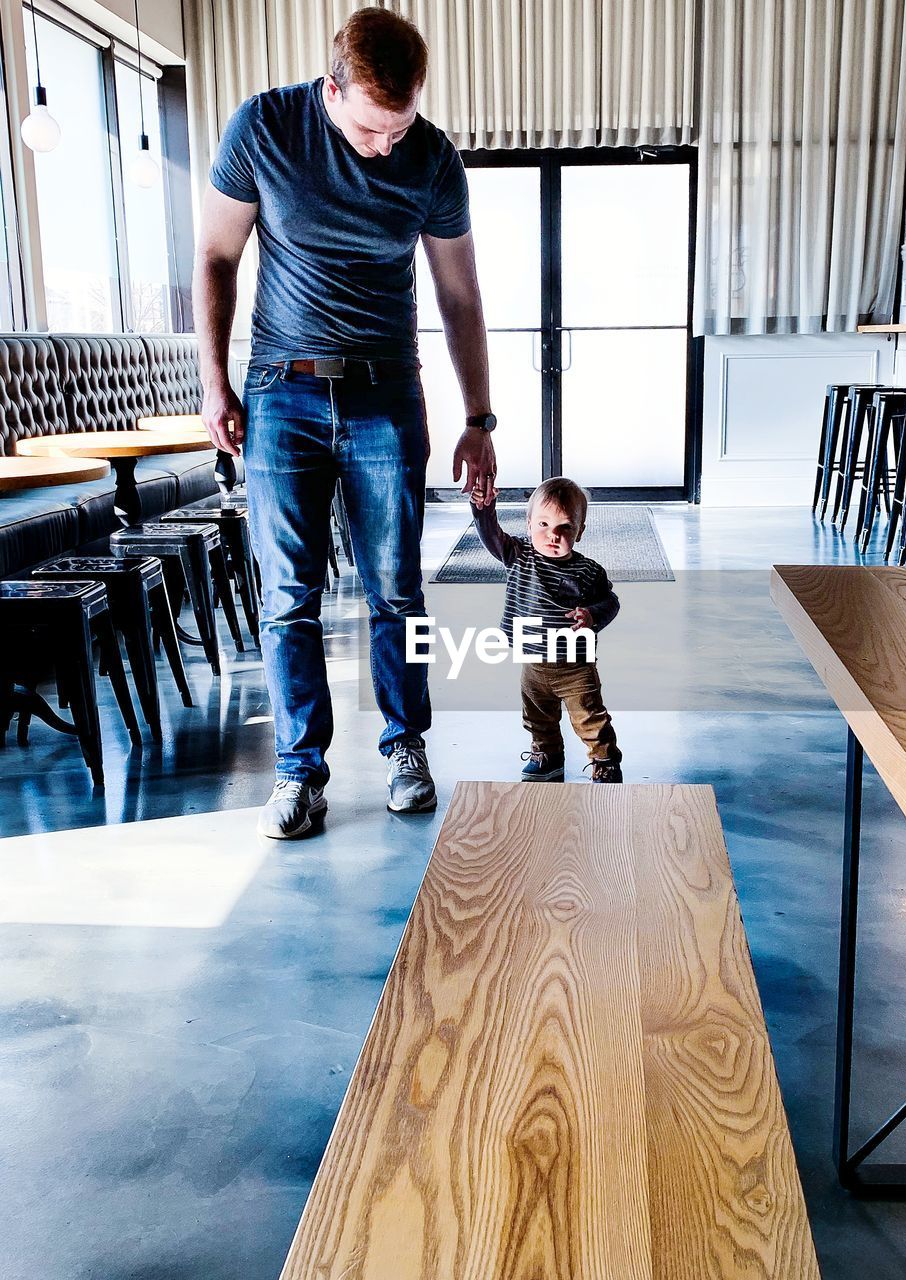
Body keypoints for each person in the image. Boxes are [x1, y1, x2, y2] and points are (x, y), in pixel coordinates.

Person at [193, 8, 498, 838]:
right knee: (290, 595)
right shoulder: (264, 126)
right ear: (331, 90)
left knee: (397, 588)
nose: (384, 147)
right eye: (370, 129)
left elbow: (460, 294)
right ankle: (298, 773)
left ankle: (406, 747)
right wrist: (213, 379)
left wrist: (480, 416)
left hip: (387, 390)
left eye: (398, 128)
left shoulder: (431, 157)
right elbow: (218, 256)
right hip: (281, 392)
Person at [470, 477, 623, 783]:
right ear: (528, 525)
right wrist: (483, 510)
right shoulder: (519, 555)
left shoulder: (589, 571)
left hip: (575, 668)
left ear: (579, 532)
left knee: (590, 718)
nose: (552, 535)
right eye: (543, 524)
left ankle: (604, 760)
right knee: (537, 716)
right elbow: (491, 536)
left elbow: (611, 602)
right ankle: (547, 756)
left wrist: (592, 615)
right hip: (533, 664)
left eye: (565, 527)